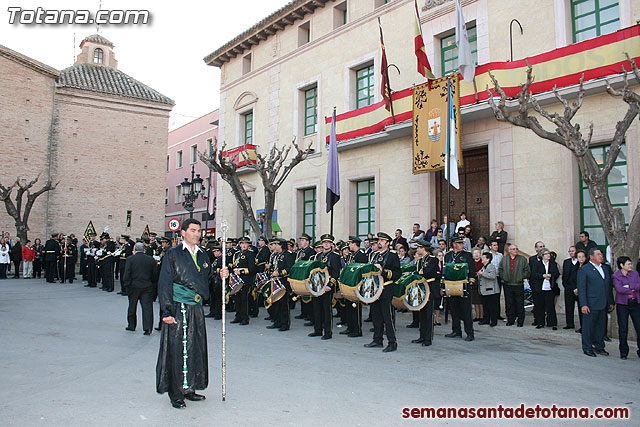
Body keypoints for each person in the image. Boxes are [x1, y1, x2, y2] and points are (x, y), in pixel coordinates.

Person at [156, 218, 212, 409]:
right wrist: (166, 310)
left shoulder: (204, 255)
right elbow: (164, 283)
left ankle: (191, 387)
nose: (197, 234)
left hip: (196, 308)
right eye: (193, 230)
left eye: (199, 231)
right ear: (183, 232)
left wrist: (222, 275)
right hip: (178, 307)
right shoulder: (173, 254)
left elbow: (207, 281)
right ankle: (176, 392)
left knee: (195, 346)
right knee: (178, 349)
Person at [365, 232, 401, 352]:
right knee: (376, 316)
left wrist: (383, 271)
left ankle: (392, 342)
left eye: (381, 240)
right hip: (375, 289)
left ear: (387, 243)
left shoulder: (392, 256)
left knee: (387, 317)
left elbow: (397, 274)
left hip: (386, 288)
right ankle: (377, 339)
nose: (379, 242)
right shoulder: (374, 255)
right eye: (379, 240)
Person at [577, 248, 614, 357]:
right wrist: (583, 304)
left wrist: (611, 301)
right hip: (591, 303)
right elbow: (582, 288)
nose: (601, 256)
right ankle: (587, 347)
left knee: (601, 326)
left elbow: (608, 287)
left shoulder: (605, 268)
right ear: (591, 256)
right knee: (588, 327)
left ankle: (599, 346)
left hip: (603, 303)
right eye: (598, 254)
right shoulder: (584, 270)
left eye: (601, 254)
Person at [443, 237, 476, 341]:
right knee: (454, 309)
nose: (462, 245)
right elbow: (445, 270)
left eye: (462, 243)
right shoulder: (448, 255)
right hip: (451, 286)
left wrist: (470, 283)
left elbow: (472, 270)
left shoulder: (467, 255)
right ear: (454, 244)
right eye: (459, 243)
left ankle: (469, 333)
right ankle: (456, 330)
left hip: (463, 286)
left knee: (466, 311)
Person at [309, 234, 340, 340]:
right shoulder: (318, 256)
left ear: (331, 244)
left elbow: (336, 273)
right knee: (316, 308)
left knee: (327, 310)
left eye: (328, 242)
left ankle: (328, 332)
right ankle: (317, 330)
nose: (326, 244)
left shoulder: (335, 256)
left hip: (327, 286)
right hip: (317, 285)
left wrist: (330, 285)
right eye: (324, 242)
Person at [124, 243, 159, 335]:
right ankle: (147, 328)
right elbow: (155, 274)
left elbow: (127, 273)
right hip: (147, 286)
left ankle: (131, 325)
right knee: (147, 307)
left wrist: (127, 284)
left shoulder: (130, 259)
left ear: (134, 250)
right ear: (144, 250)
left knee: (132, 306)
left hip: (133, 286)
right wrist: (152, 283)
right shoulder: (150, 260)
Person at [411, 240, 440, 346]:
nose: (417, 249)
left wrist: (415, 273)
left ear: (424, 248)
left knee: (428, 314)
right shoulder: (420, 260)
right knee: (422, 314)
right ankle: (422, 336)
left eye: (419, 247)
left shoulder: (433, 260)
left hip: (430, 288)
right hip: (422, 289)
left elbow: (427, 272)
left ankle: (428, 338)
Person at [612, 256, 640, 360]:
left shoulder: (635, 274)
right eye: (628, 264)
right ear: (621, 265)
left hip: (635, 303)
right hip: (623, 304)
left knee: (639, 327)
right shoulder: (616, 276)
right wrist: (632, 288)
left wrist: (629, 286)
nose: (631, 266)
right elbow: (619, 289)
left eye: (631, 264)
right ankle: (623, 352)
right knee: (623, 328)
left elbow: (639, 285)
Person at [499, 244, 530, 327]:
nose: (515, 250)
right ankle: (510, 320)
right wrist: (504, 276)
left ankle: (520, 321)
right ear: (509, 251)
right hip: (507, 284)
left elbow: (527, 270)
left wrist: (521, 277)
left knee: (519, 303)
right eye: (513, 249)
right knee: (509, 303)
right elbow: (500, 269)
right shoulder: (504, 259)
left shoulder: (522, 259)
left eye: (516, 249)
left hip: (518, 284)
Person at [343, 236, 368, 337]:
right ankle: (350, 327)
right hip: (349, 285)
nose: (349, 246)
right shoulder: (352, 255)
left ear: (354, 244)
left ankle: (357, 330)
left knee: (355, 307)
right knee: (349, 307)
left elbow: (361, 270)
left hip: (357, 285)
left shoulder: (361, 255)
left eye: (350, 244)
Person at [530, 248, 560, 330]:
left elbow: (557, 273)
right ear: (542, 256)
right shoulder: (537, 264)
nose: (548, 255)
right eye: (546, 254)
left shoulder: (553, 264)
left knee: (550, 306)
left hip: (550, 287)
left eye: (549, 253)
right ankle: (540, 323)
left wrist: (551, 276)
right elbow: (534, 274)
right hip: (540, 287)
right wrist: (543, 276)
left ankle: (552, 323)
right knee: (540, 306)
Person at [229, 236, 256, 326]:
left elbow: (252, 269)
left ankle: (245, 318)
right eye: (242, 243)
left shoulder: (250, 254)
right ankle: (238, 316)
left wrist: (241, 272)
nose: (243, 245)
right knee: (237, 299)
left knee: (244, 299)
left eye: (245, 243)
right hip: (236, 279)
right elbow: (234, 265)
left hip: (245, 280)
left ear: (248, 245)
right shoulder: (237, 254)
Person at [478, 252, 500, 326]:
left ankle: (493, 321)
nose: (482, 259)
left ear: (488, 259)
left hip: (491, 290)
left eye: (484, 257)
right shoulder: (483, 267)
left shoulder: (491, 266)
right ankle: (486, 319)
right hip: (484, 290)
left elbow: (492, 276)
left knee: (492, 307)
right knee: (486, 306)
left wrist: (482, 274)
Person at [562, 246, 580, 330]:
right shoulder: (566, 262)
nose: (571, 252)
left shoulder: (580, 262)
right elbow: (564, 275)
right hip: (568, 287)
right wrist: (566, 285)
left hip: (579, 288)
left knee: (581, 307)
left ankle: (582, 325)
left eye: (573, 251)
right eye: (570, 251)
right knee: (569, 306)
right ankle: (569, 323)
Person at [471, 248, 484, 322]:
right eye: (475, 253)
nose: (476, 254)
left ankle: (482, 316)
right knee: (476, 301)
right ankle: (477, 316)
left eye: (478, 253)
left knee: (481, 301)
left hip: (481, 282)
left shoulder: (482, 262)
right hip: (474, 283)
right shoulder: (472, 262)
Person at [432, 249, 444, 325]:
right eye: (439, 256)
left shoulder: (444, 264)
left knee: (439, 303)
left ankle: (437, 319)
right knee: (434, 302)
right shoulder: (434, 264)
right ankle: (433, 319)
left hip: (441, 284)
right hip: (435, 285)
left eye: (442, 256)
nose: (441, 257)